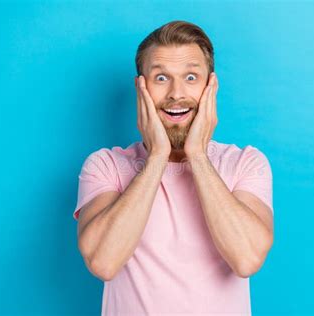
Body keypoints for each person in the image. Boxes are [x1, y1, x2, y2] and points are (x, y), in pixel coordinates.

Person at [73, 20, 274, 315]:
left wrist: (197, 155)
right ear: (140, 87)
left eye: (191, 77)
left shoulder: (245, 163)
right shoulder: (105, 166)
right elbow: (103, 262)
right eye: (161, 78)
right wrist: (157, 157)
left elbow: (246, 259)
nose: (176, 94)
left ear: (211, 85)